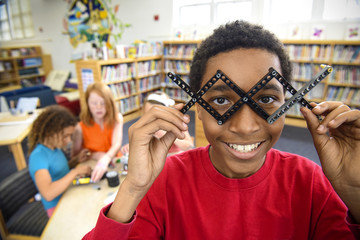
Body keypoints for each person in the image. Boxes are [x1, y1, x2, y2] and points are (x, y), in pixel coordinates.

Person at [83, 21, 360, 239]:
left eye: (265, 99)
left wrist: (355, 193)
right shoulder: (161, 183)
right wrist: (133, 188)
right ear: (198, 108)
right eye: (220, 100)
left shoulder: (310, 183)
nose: (245, 126)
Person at [28, 105, 91, 217]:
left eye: (70, 136)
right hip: (56, 207)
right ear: (50, 132)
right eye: (65, 136)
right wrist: (75, 172)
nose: (68, 141)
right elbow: (48, 193)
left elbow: (58, 171)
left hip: (67, 194)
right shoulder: (38, 156)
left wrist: (76, 161)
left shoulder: (55, 148)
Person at [72, 82, 124, 182]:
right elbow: (75, 158)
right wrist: (94, 155)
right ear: (87, 103)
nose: (99, 107)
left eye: (103, 103)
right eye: (94, 103)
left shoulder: (117, 118)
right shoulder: (80, 128)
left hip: (115, 162)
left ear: (109, 103)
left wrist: (105, 158)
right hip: (93, 167)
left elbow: (116, 145)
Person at [120, 91, 194, 155]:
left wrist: (171, 137)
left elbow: (190, 147)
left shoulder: (176, 123)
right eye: (147, 114)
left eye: (156, 115)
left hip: (174, 162)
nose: (151, 118)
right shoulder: (144, 125)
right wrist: (132, 147)